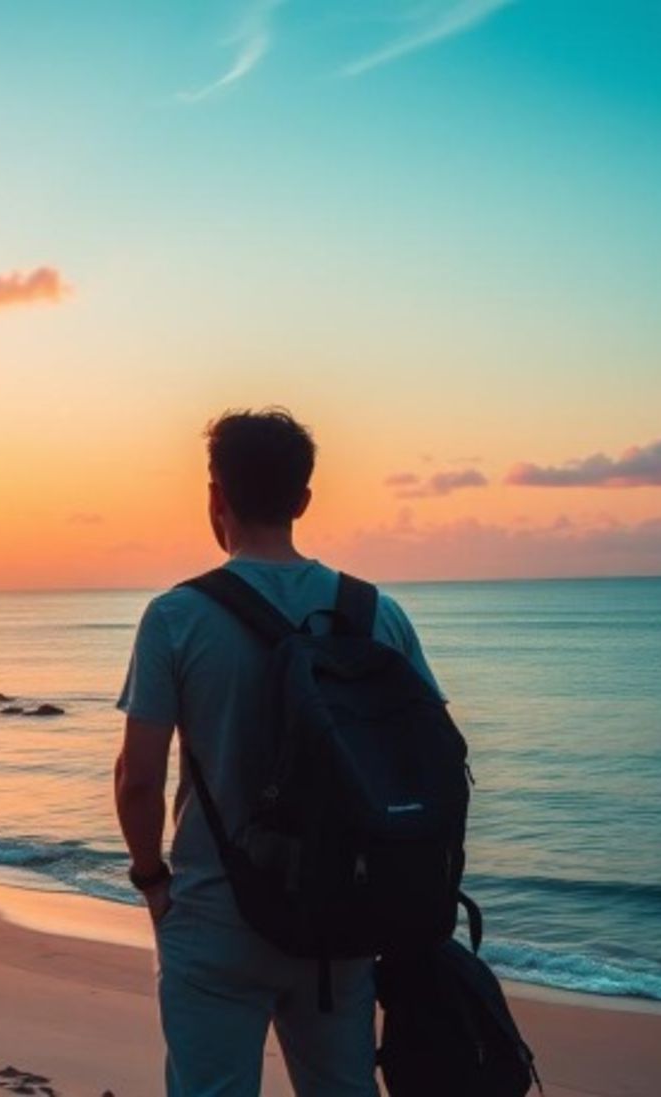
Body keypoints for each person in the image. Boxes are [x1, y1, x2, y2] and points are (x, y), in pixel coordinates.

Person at [114, 407, 445, 1097]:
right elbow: (434, 756)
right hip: (342, 913)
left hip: (217, 913)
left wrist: (153, 882)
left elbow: (137, 780)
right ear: (302, 499)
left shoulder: (176, 616)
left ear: (216, 495)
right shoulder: (375, 612)